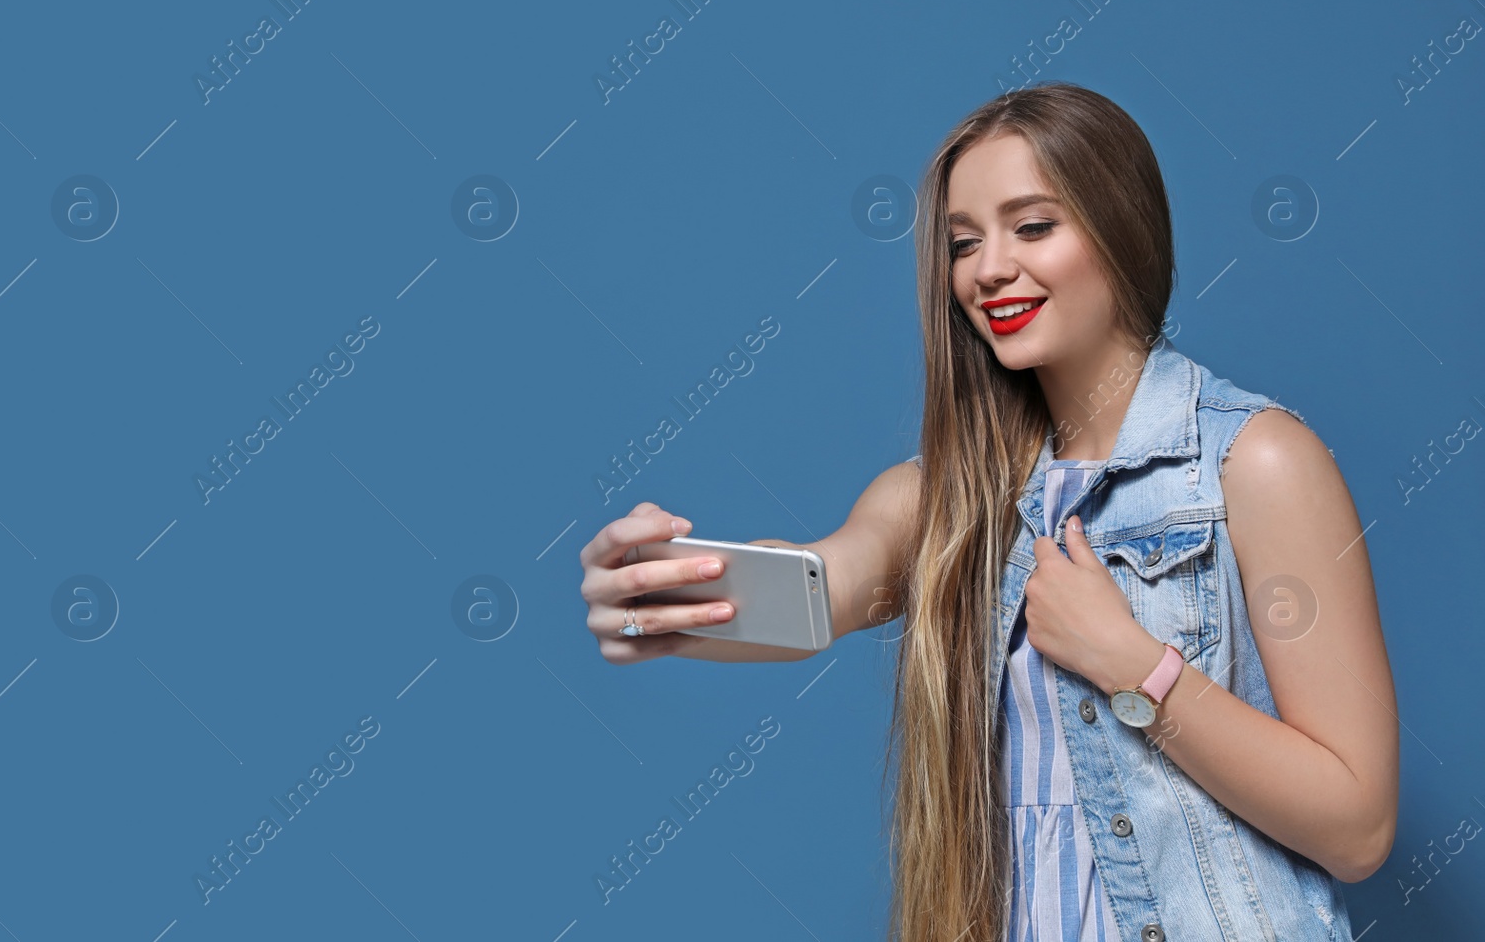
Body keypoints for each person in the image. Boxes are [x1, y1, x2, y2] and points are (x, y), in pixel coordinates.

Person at [577, 82, 1397, 942]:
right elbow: (810, 590)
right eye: (963, 242)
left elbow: (1358, 827)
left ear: (1123, 231)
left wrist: (1134, 666)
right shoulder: (946, 497)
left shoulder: (1252, 461)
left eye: (1032, 226)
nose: (987, 268)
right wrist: (650, 597)